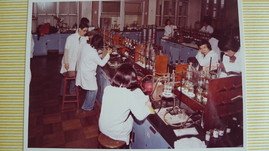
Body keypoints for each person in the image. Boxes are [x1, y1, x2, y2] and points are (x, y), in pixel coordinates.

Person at [99, 63, 154, 145]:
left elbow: (120, 99)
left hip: (102, 127)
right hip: (115, 132)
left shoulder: (108, 89)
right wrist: (148, 106)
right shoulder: (128, 95)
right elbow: (141, 116)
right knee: (131, 117)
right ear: (130, 81)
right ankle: (128, 143)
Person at [76, 33, 111, 111]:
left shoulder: (87, 46)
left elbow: (91, 56)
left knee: (91, 89)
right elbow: (102, 63)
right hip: (87, 73)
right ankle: (87, 107)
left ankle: (87, 104)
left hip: (83, 70)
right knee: (94, 89)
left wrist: (100, 54)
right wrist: (108, 54)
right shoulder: (93, 53)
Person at [60, 22, 89, 94]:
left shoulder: (83, 39)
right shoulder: (70, 38)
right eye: (84, 30)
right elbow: (66, 51)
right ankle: (62, 92)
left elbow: (84, 50)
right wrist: (66, 62)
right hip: (68, 60)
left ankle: (72, 91)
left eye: (86, 31)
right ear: (79, 29)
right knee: (66, 77)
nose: (85, 32)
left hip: (76, 61)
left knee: (75, 76)